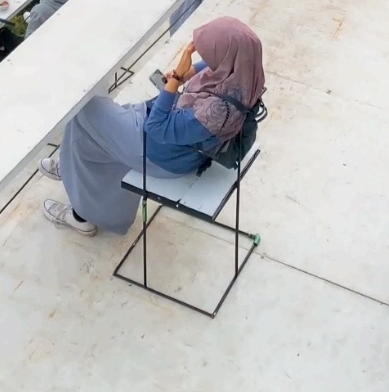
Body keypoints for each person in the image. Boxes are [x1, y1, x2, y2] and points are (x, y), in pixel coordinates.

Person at [39, 17, 265, 235]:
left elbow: (157, 126)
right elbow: (205, 65)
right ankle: (71, 172)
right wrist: (187, 73)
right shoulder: (244, 72)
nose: (206, 57)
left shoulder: (215, 112)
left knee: (85, 109)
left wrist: (176, 78)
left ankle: (83, 216)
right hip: (174, 143)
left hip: (160, 154)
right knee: (89, 129)